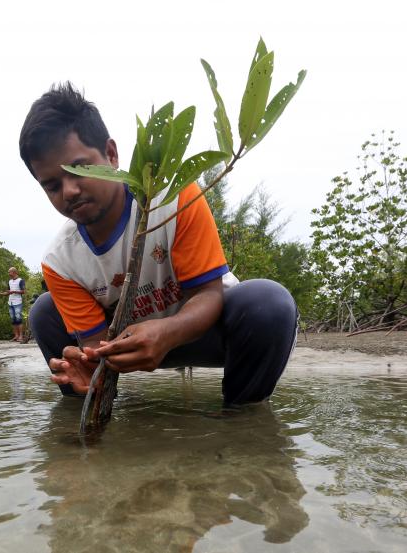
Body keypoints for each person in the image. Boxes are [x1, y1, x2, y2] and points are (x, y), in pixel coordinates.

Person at [19, 82, 297, 403]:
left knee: (268, 303)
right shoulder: (60, 262)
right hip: (129, 350)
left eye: (79, 169)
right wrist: (88, 363)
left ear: (111, 155)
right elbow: (95, 344)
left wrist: (166, 332)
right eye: (52, 185)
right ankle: (88, 413)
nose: (68, 191)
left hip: (207, 332)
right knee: (44, 311)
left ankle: (241, 418)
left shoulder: (174, 198)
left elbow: (207, 295)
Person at [0, 267, 27, 342]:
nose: (8, 274)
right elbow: (7, 292)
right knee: (13, 320)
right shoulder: (10, 281)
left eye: (9, 272)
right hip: (10, 302)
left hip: (18, 302)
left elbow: (23, 291)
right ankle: (16, 336)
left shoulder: (21, 280)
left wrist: (14, 291)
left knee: (19, 319)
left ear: (14, 272)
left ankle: (21, 336)